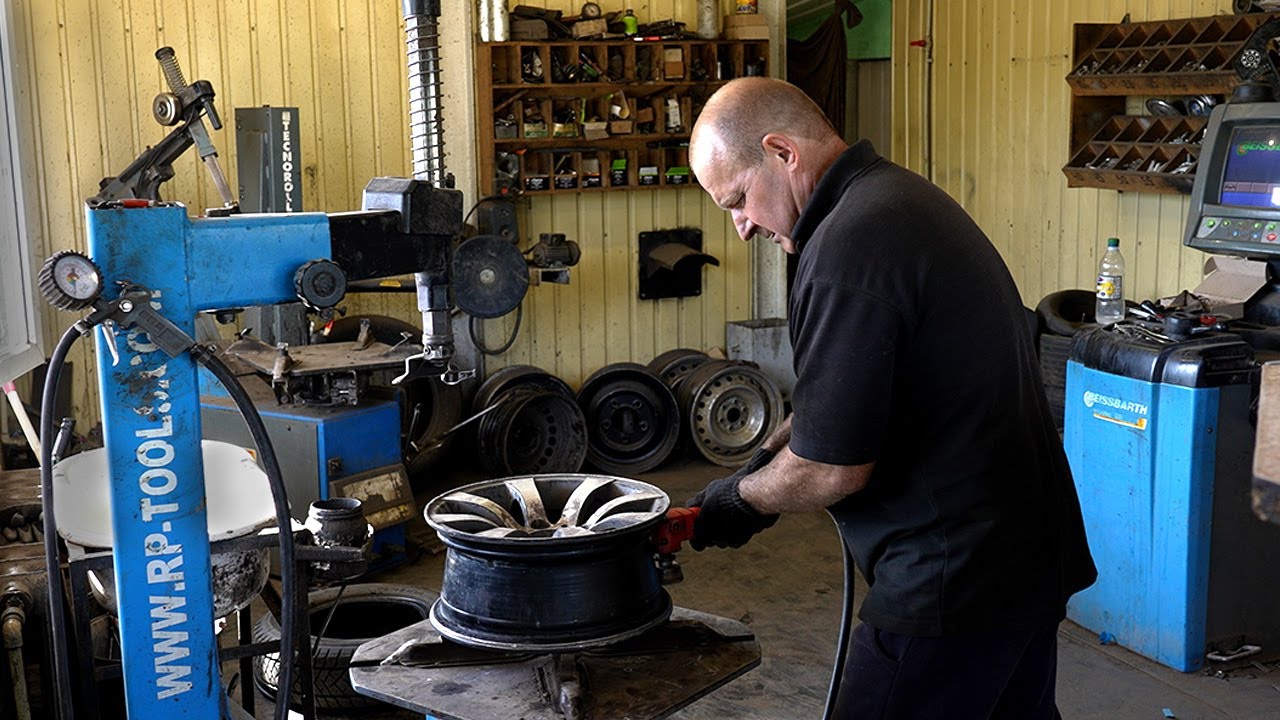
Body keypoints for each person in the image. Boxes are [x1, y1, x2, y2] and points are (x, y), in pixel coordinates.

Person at [684, 77, 1097, 719]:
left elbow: (831, 469)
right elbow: (874, 388)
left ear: (782, 152)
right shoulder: (891, 200)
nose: (740, 228)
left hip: (955, 576)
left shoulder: (850, 247)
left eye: (738, 199)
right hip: (1020, 556)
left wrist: (733, 503)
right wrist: (788, 437)